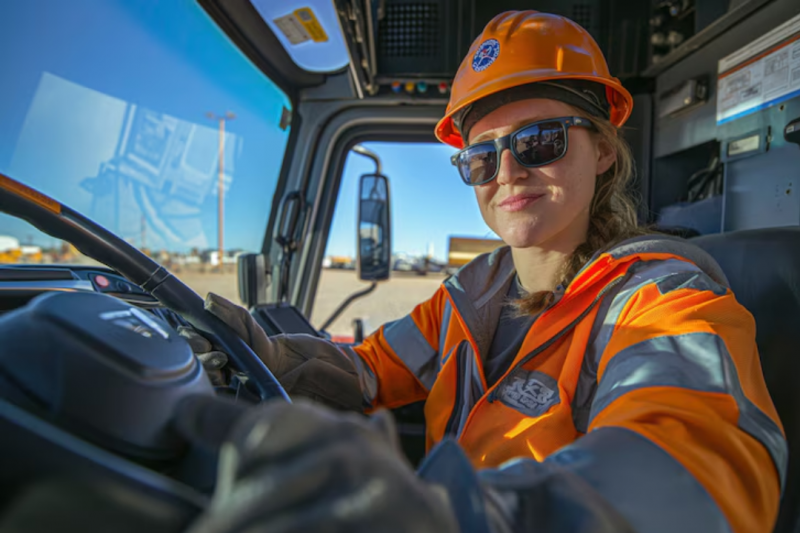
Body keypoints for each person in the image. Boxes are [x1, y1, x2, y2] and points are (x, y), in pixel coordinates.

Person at [185, 10, 786, 533]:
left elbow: (690, 464)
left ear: (603, 149)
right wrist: (273, 357)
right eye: (480, 156)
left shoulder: (662, 300)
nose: (507, 171)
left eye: (540, 140)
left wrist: (475, 515)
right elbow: (369, 373)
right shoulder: (468, 295)